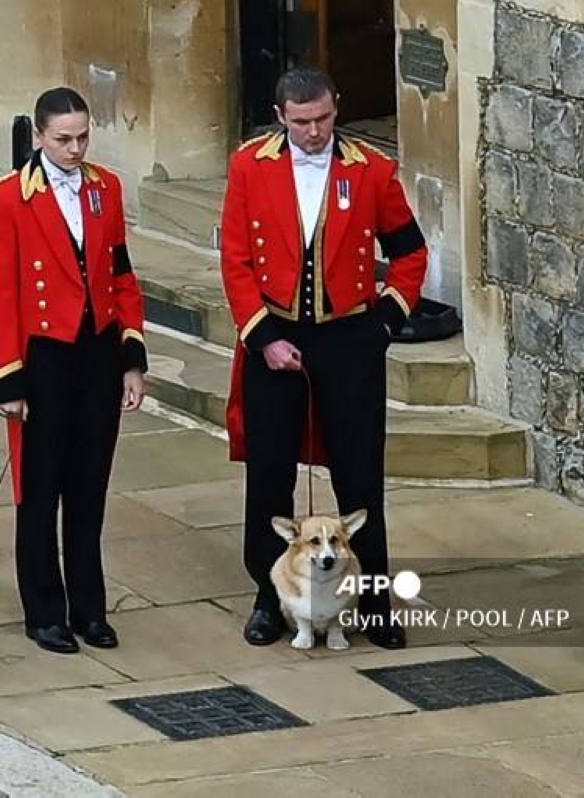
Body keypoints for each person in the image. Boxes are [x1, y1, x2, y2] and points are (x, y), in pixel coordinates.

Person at [221, 68, 428, 650]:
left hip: (347, 341)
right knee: (270, 477)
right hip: (275, 338)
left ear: (336, 107)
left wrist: (386, 320)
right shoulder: (249, 166)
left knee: (361, 478)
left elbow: (411, 252)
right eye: (302, 122)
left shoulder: (371, 170)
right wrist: (262, 337)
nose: (314, 133)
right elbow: (235, 260)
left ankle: (376, 603)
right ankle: (270, 597)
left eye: (323, 119)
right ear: (281, 115)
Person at [0, 87, 148, 655]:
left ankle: (89, 609)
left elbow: (121, 274)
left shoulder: (106, 189)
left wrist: (131, 358)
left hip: (97, 353)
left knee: (88, 488)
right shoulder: (8, 199)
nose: (75, 149)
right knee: (40, 491)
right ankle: (45, 612)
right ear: (39, 137)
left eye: (82, 137)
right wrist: (7, 379)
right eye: (63, 139)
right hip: (42, 358)